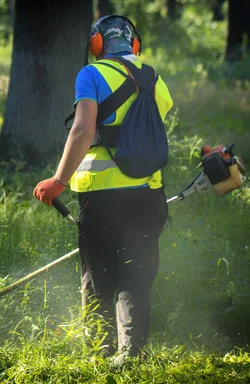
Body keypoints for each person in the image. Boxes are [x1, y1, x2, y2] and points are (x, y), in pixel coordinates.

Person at [33, 15, 174, 364]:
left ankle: (100, 352)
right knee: (136, 274)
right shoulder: (154, 77)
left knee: (98, 275)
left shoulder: (91, 75)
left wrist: (58, 181)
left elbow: (82, 131)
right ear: (134, 44)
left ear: (96, 44)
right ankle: (132, 354)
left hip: (101, 196)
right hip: (148, 193)